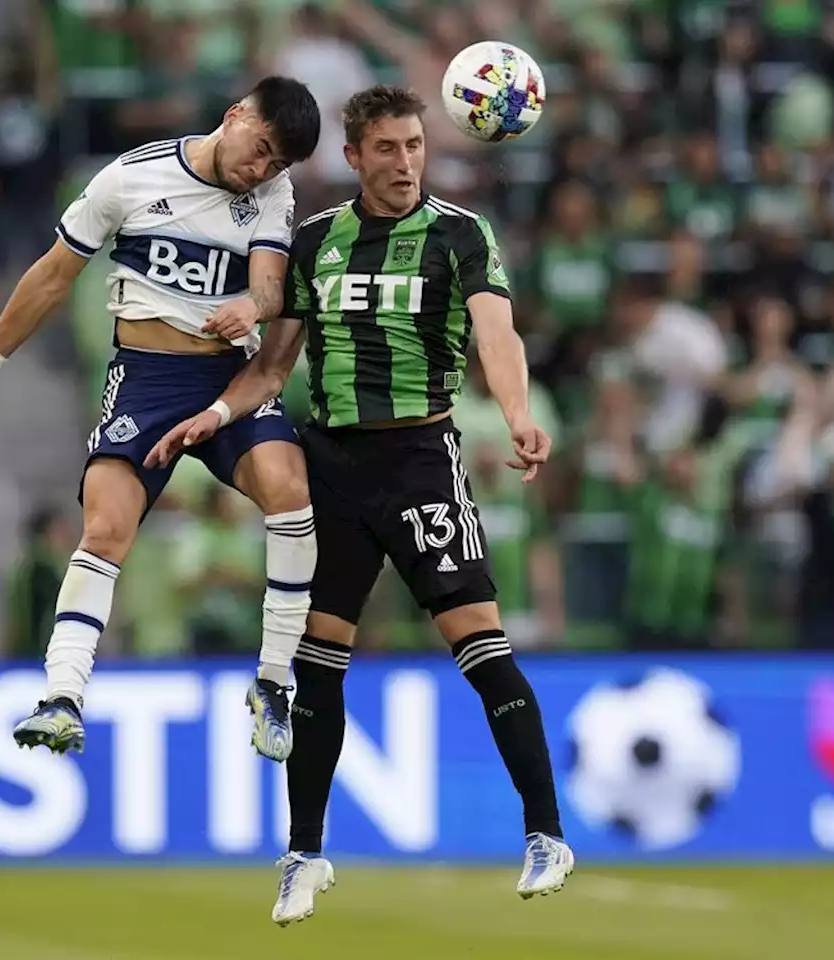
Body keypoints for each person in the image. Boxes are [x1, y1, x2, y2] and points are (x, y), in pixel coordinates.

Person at [147, 85, 574, 921]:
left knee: (478, 643)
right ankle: (304, 853)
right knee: (320, 657)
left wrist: (518, 414)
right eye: (388, 148)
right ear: (354, 157)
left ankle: (545, 831)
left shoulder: (459, 235)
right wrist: (216, 413)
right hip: (332, 467)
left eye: (415, 145)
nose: (406, 162)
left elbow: (498, 333)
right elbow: (271, 370)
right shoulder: (315, 242)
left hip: (420, 458)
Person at [0, 76, 321, 763]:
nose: (260, 170)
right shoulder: (131, 178)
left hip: (227, 381)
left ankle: (272, 682)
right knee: (106, 526)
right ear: (234, 115)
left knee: (291, 490)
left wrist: (254, 309)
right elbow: (54, 274)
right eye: (259, 149)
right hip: (146, 380)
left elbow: (267, 283)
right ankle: (61, 697)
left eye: (277, 164)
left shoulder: (270, 193)